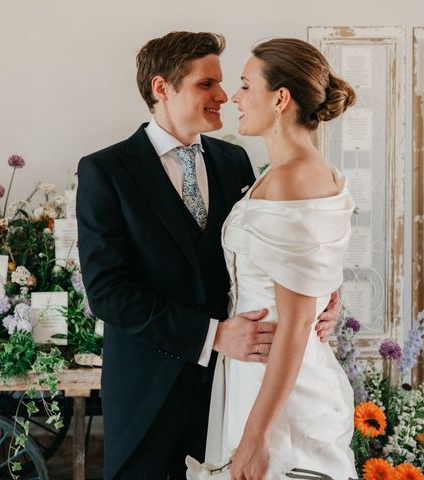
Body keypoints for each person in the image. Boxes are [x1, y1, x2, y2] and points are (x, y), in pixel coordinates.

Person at [76, 32, 341, 480]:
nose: (223, 95)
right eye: (207, 84)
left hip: (234, 387)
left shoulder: (233, 160)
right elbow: (107, 293)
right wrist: (212, 335)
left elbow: (283, 244)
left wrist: (323, 291)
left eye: (225, 83)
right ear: (162, 89)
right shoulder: (106, 170)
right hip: (149, 391)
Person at [191, 38, 358, 480]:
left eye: (246, 86)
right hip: (253, 373)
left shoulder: (294, 179)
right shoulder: (289, 173)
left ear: (280, 98)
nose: (235, 98)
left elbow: (299, 321)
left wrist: (256, 436)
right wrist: (327, 291)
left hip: (279, 391)